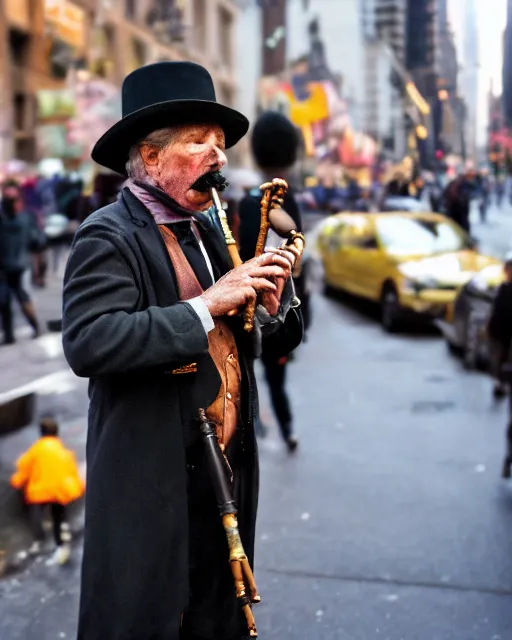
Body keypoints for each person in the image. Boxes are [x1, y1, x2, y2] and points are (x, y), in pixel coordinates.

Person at [62, 62, 303, 640]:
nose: (218, 157)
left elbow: (252, 341)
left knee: (213, 621)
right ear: (150, 157)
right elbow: (89, 341)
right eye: (199, 141)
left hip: (221, 485)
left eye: (220, 144)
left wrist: (273, 301)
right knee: (148, 621)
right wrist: (208, 305)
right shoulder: (108, 234)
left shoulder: (207, 231)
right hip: (153, 490)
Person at [238, 112, 309, 452]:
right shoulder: (292, 201)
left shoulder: (247, 204)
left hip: (249, 308)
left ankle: (253, 432)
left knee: (245, 378)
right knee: (277, 380)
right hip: (280, 311)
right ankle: (287, 430)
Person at [10, 417, 85, 565]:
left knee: (36, 515)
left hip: (41, 490)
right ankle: (61, 542)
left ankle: (39, 539)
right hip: (60, 490)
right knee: (58, 517)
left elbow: (24, 468)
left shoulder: (37, 450)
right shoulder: (63, 451)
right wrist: (77, 488)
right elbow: (71, 472)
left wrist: (16, 482)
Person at [0, 180, 41, 344]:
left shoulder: (24, 217)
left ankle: (28, 328)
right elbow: (36, 240)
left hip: (14, 265)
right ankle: (12, 333)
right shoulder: (25, 217)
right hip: (13, 265)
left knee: (12, 298)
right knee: (10, 299)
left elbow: (35, 240)